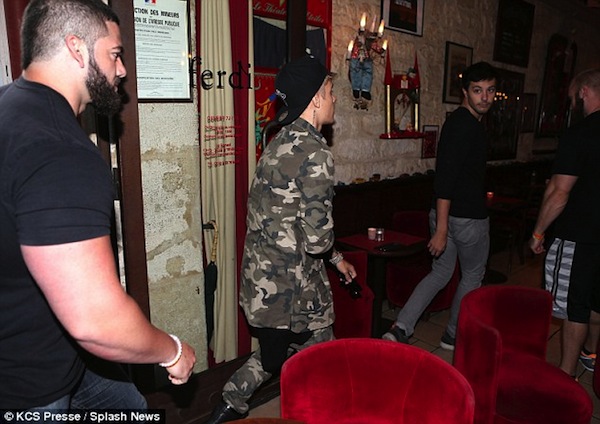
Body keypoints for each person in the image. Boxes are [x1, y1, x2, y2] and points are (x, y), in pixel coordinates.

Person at [0, 0, 195, 412]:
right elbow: (95, 320)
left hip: (64, 353)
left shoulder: (8, 106)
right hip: (30, 382)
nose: (121, 70)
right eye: (115, 54)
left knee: (130, 408)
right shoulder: (60, 150)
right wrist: (172, 350)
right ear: (77, 48)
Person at [206, 54, 356, 424]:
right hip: (293, 289)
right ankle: (324, 413)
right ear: (316, 97)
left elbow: (289, 220)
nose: (335, 98)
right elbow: (317, 239)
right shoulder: (316, 153)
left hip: (262, 280)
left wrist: (337, 260)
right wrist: (331, 252)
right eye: (330, 91)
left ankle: (229, 404)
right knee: (322, 357)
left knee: (277, 353)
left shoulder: (278, 141)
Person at [383, 62, 497, 350]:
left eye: (490, 90)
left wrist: (442, 224)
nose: (485, 97)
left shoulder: (460, 123)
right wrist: (442, 229)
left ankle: (401, 327)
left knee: (441, 273)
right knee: (472, 275)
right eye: (478, 90)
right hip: (465, 219)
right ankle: (453, 335)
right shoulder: (465, 126)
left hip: (444, 214)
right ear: (465, 92)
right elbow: (445, 179)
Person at [529, 68, 600, 378]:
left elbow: (559, 193)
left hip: (579, 235)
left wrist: (538, 232)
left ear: (584, 92)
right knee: (595, 299)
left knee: (574, 306)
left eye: (573, 97)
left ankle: (566, 374)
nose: (573, 103)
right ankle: (590, 352)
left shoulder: (580, 133)